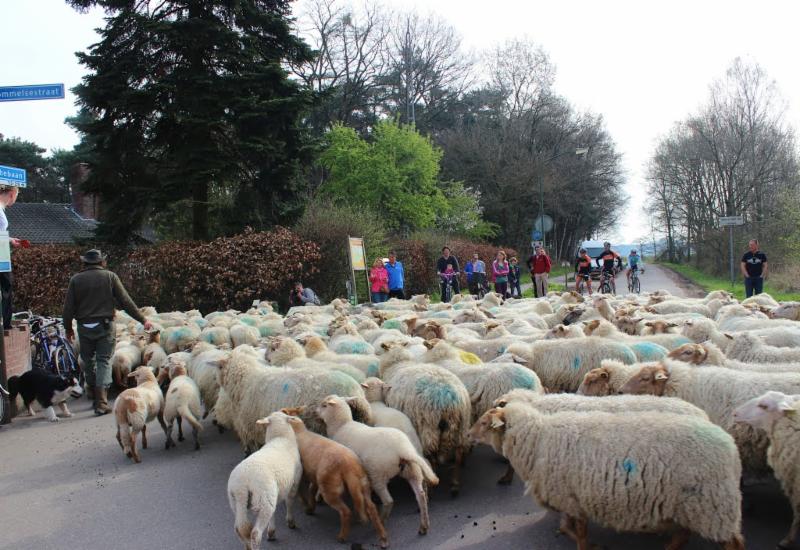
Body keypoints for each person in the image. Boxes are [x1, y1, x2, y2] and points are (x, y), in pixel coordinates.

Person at [62, 249, 153, 416]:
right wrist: (143, 319)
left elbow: (68, 307)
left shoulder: (76, 280)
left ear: (85, 263)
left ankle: (92, 391)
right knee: (104, 360)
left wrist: (68, 328)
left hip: (84, 326)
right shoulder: (110, 277)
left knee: (88, 359)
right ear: (102, 262)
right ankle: (102, 402)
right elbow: (125, 301)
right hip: (105, 325)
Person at [0, 185, 22, 329]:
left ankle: (6, 323)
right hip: (1, 253)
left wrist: (9, 239)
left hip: (2, 249)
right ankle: (7, 325)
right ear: (12, 194)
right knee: (7, 287)